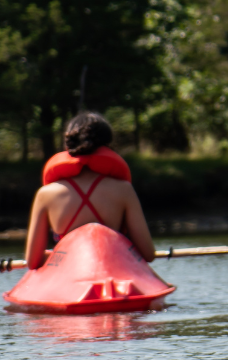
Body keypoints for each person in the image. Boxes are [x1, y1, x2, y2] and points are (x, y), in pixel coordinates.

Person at [24, 112, 158, 267]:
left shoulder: (46, 194)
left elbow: (32, 262)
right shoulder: (123, 190)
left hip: (70, 279)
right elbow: (148, 254)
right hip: (111, 274)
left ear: (68, 145)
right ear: (107, 146)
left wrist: (55, 254)